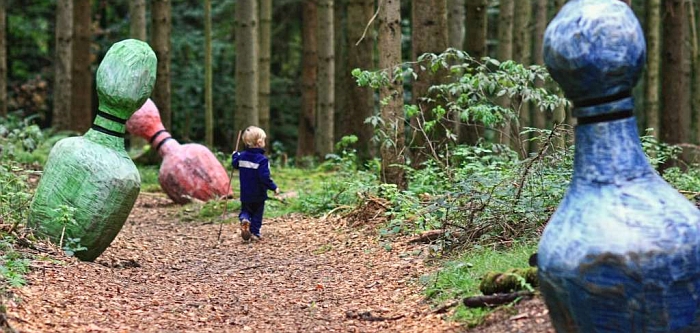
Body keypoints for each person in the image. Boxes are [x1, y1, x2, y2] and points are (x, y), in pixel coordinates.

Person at [232, 126, 279, 241]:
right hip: (259, 193)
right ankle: (255, 233)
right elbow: (264, 177)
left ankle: (244, 219)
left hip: (245, 193)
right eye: (263, 140)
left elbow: (235, 164)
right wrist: (273, 187)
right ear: (259, 142)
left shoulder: (242, 156)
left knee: (246, 210)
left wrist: (235, 156)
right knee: (257, 213)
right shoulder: (262, 160)